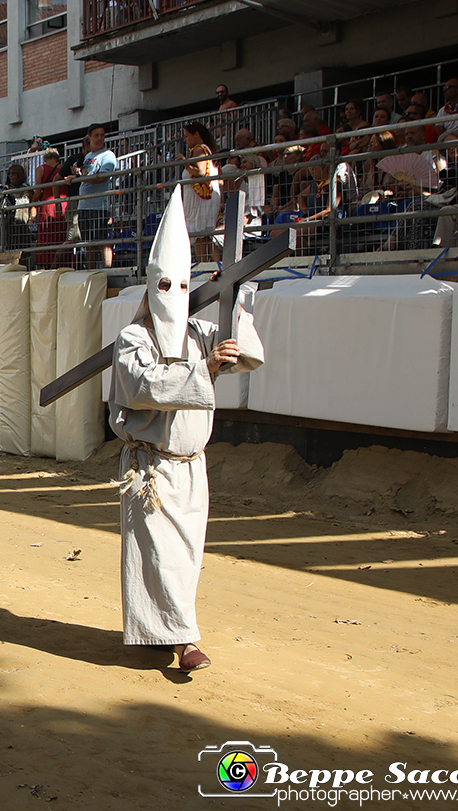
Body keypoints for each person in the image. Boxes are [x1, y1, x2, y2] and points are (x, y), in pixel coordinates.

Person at [109, 185, 261, 673]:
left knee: (182, 558)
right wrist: (205, 371)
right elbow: (143, 386)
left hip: (192, 467)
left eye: (181, 286)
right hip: (150, 470)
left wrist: (235, 301)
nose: (173, 297)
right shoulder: (134, 337)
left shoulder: (200, 331)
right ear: (152, 287)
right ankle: (185, 642)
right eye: (164, 287)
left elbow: (247, 356)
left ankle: (158, 631)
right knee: (163, 554)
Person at [70, 123, 118, 268]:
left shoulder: (108, 155)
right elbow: (86, 175)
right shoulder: (88, 156)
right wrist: (76, 175)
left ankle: (108, 270)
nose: (100, 138)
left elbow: (102, 177)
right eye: (96, 135)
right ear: (89, 137)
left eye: (102, 135)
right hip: (84, 206)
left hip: (99, 206)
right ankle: (90, 272)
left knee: (102, 241)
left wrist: (78, 178)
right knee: (89, 243)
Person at [181, 122, 222, 260]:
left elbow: (200, 171)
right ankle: (212, 267)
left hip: (200, 202)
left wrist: (184, 162)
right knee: (206, 237)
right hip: (205, 199)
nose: (185, 140)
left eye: (187, 136)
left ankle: (203, 267)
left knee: (199, 235)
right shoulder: (207, 149)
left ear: (196, 135)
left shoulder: (199, 149)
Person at [31, 147, 67, 267]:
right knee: (61, 234)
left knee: (47, 235)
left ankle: (47, 263)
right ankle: (62, 262)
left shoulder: (41, 169)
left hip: (47, 204)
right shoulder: (63, 169)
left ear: (44, 158)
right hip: (63, 203)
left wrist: (32, 201)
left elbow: (37, 192)